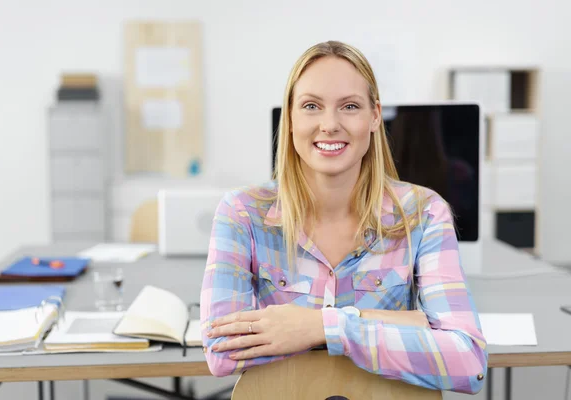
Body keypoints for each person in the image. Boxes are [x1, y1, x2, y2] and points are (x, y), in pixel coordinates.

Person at [200, 40, 488, 394]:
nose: (330, 124)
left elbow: (467, 361)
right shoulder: (242, 213)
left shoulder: (425, 212)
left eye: (349, 106)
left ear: (374, 116)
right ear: (290, 117)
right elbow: (222, 354)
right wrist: (405, 324)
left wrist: (322, 326)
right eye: (311, 106)